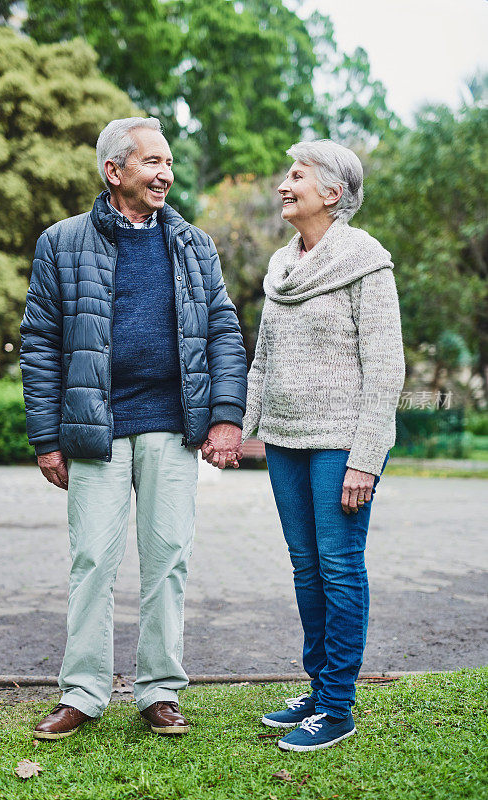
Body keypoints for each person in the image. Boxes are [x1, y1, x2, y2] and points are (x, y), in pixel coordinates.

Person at [20, 117, 247, 739]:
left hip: (172, 427)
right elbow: (39, 342)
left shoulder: (195, 245)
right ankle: (84, 692)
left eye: (168, 162)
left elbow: (224, 331)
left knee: (168, 558)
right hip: (96, 427)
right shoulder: (61, 243)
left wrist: (226, 417)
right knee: (92, 559)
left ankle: (159, 691)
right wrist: (46, 438)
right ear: (113, 171)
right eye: (151, 162)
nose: (165, 174)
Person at [242, 139, 405, 752]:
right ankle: (318, 688)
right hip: (285, 441)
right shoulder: (282, 268)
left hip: (341, 443)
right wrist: (243, 429)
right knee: (307, 568)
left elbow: (386, 369)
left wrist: (367, 458)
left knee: (338, 567)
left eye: (297, 175)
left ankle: (338, 705)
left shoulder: (366, 261)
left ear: (332, 193)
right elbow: (262, 360)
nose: (284, 185)